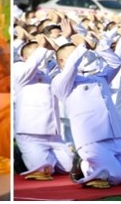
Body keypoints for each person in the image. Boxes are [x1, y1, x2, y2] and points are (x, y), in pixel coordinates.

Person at [52, 35, 121, 189]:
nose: (81, 56)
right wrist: (82, 47)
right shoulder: (60, 82)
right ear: (62, 61)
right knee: (116, 177)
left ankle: (96, 168)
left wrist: (96, 46)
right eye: (75, 53)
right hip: (92, 140)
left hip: (116, 137)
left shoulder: (98, 78)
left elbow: (115, 63)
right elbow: (71, 68)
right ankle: (85, 167)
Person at [13, 36, 73, 180]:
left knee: (70, 167)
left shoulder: (48, 73)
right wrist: (41, 47)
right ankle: (19, 159)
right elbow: (30, 67)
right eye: (38, 51)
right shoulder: (18, 68)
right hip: (30, 131)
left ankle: (36, 159)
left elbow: (67, 63)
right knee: (42, 171)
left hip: (53, 133)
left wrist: (61, 41)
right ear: (24, 57)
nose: (42, 54)